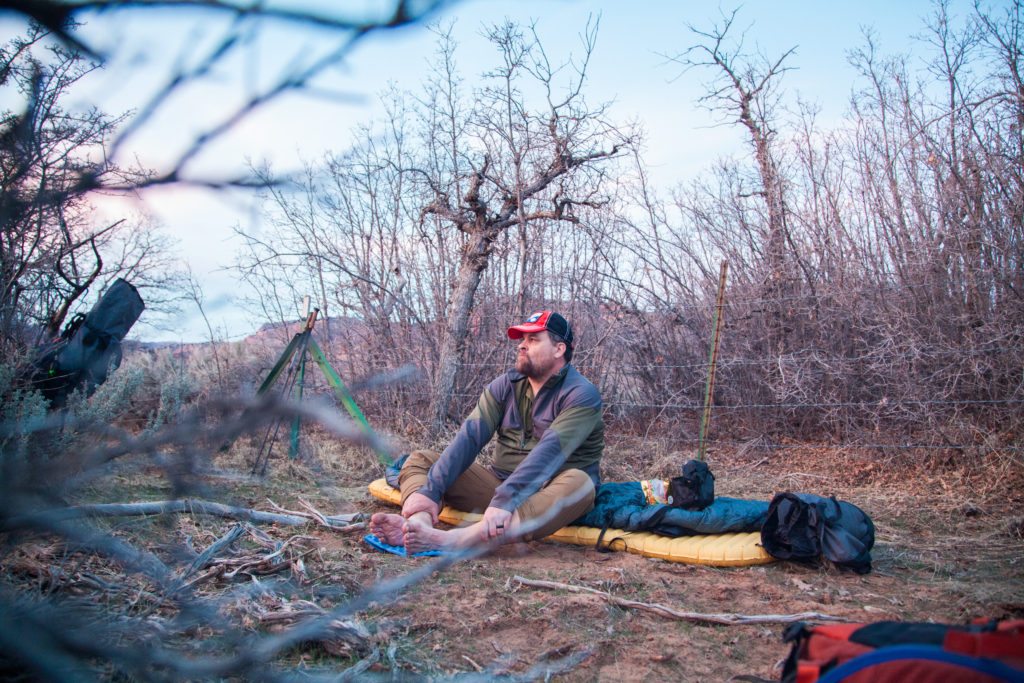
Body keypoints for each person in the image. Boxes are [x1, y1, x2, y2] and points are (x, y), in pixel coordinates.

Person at [370, 310, 604, 553]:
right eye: (522, 339)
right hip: (500, 487)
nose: (522, 346)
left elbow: (549, 452)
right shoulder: (505, 386)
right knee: (421, 459)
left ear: (559, 349)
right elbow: (469, 439)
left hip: (550, 495)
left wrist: (505, 500)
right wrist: (430, 492)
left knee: (580, 483)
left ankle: (452, 540)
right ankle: (417, 525)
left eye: (533, 340)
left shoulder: (581, 395)